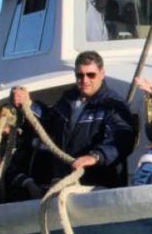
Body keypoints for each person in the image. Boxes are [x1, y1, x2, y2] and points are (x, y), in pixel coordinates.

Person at [11, 51, 136, 187]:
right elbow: (49, 123)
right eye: (80, 75)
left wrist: (95, 157)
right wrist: (28, 104)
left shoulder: (113, 105)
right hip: (65, 181)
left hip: (97, 184)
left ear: (102, 74)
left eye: (91, 75)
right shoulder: (67, 100)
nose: (85, 80)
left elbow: (123, 139)